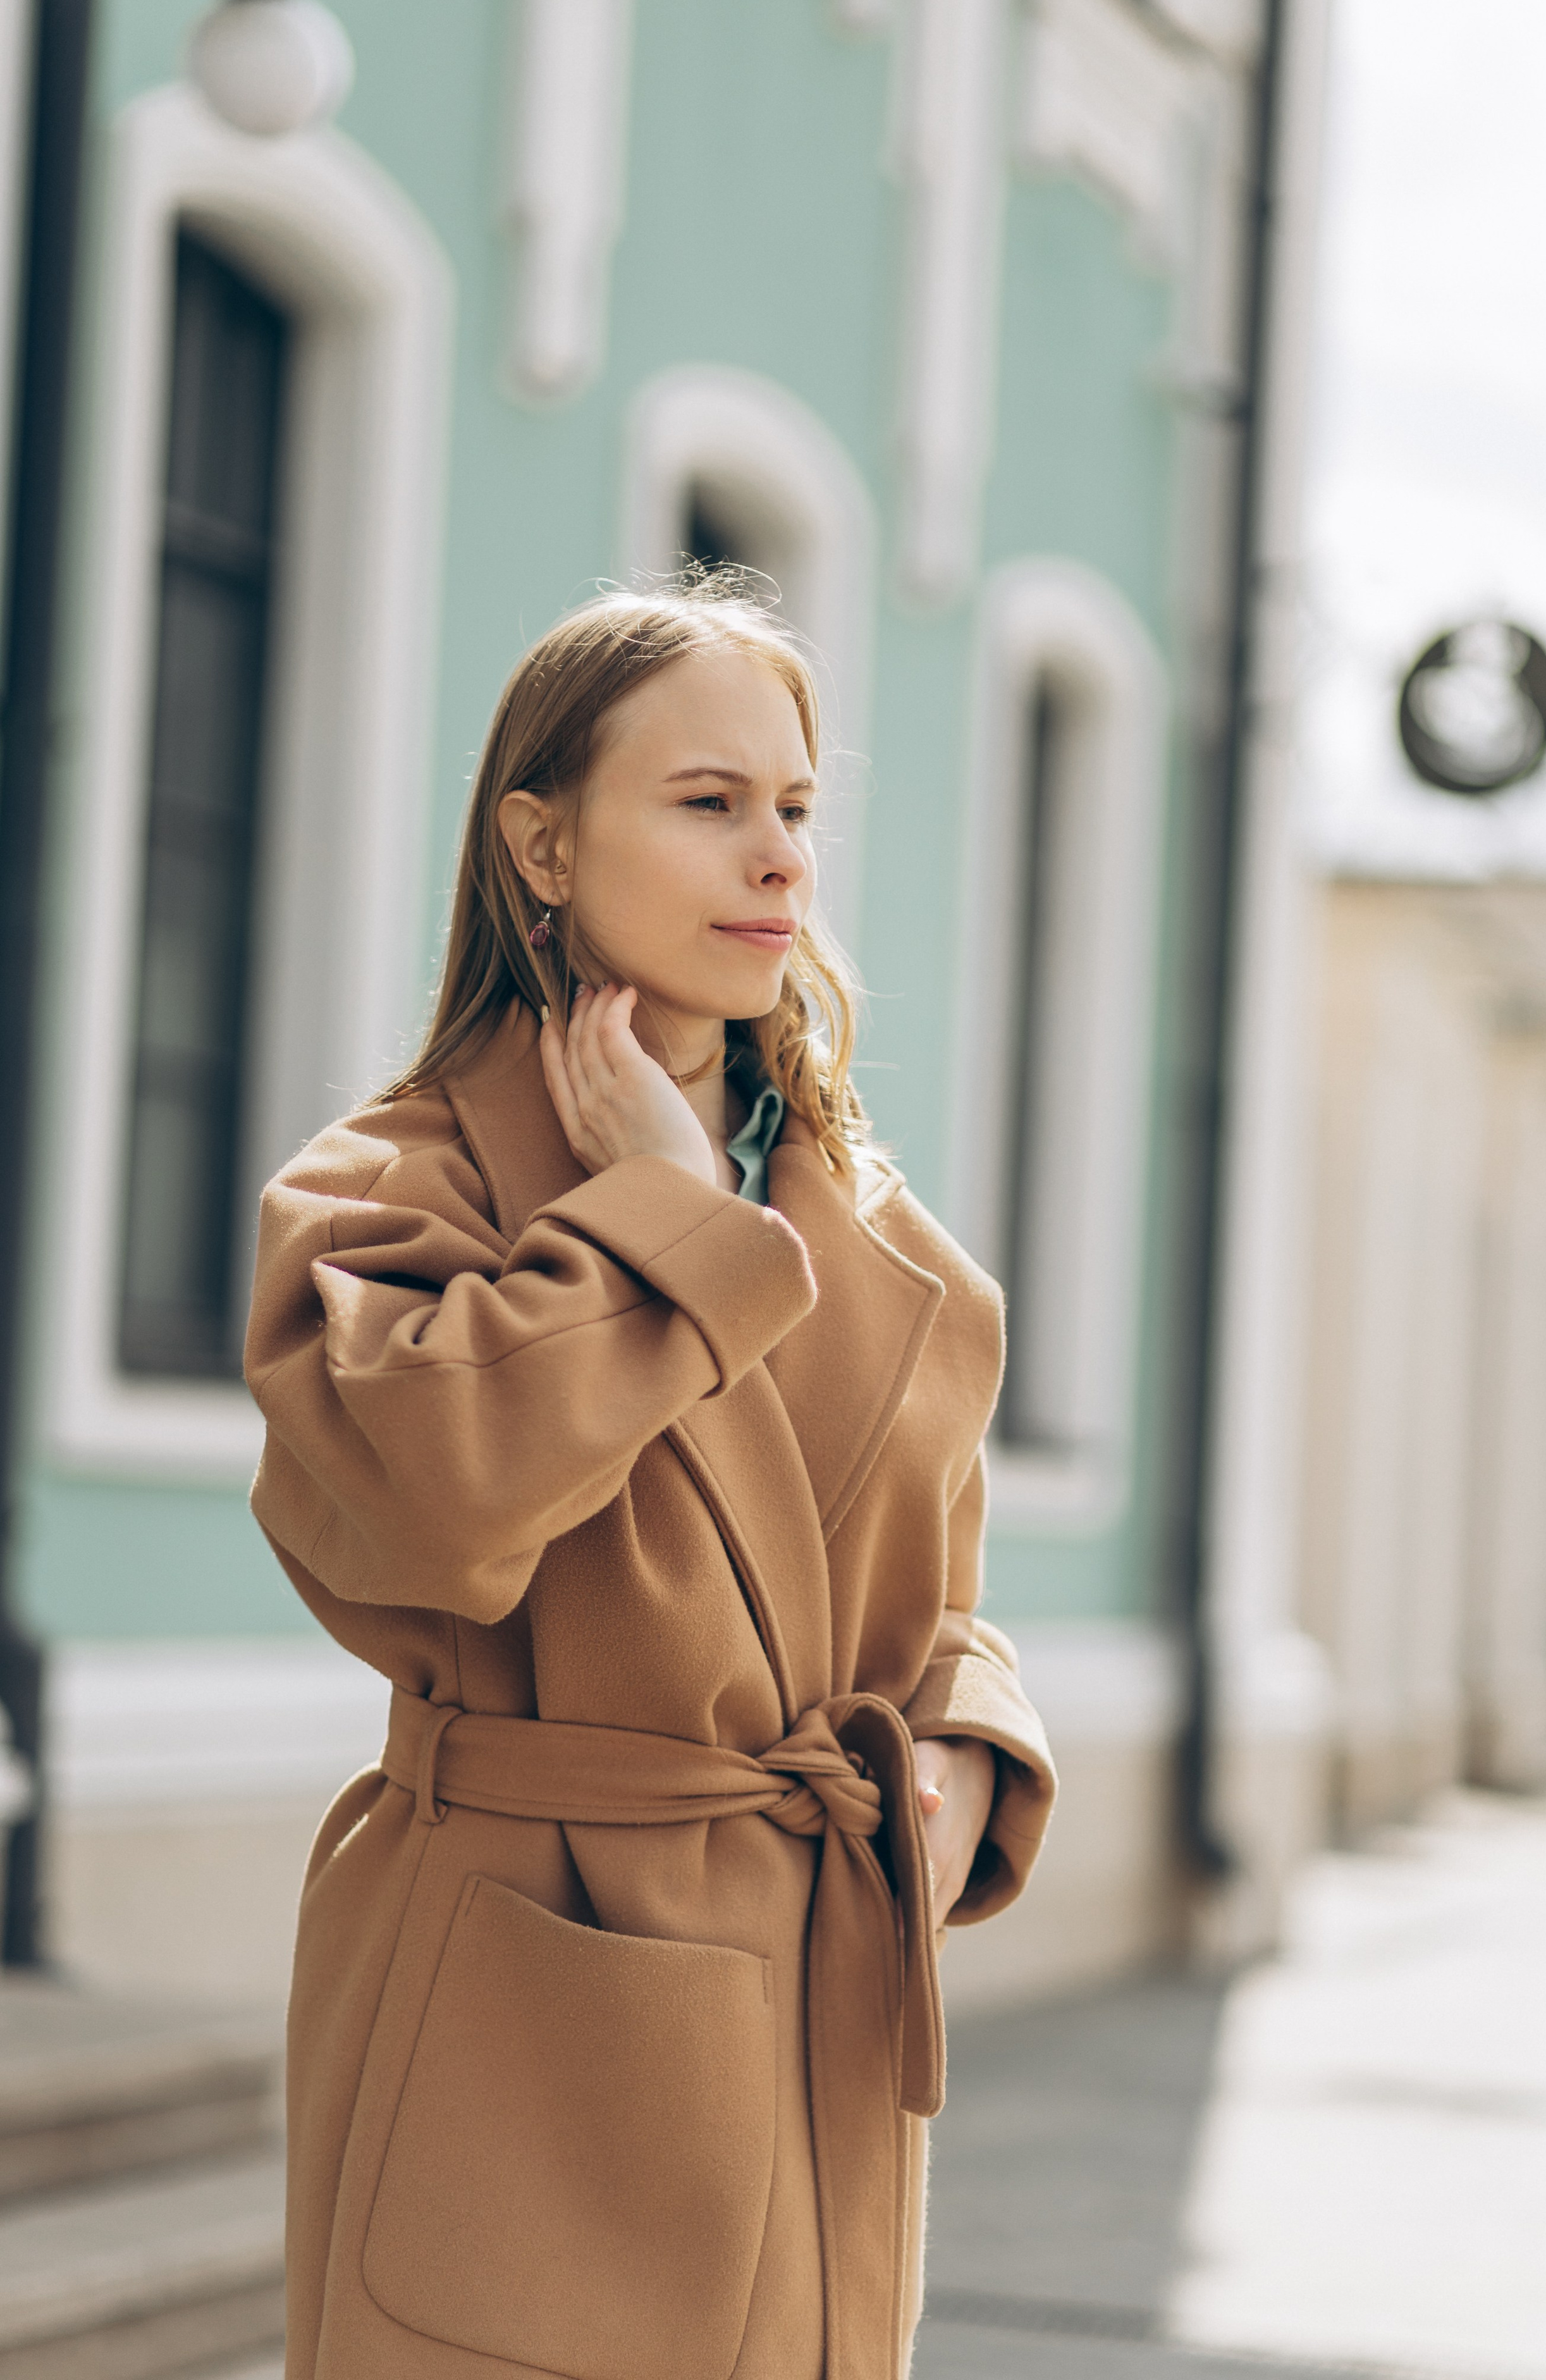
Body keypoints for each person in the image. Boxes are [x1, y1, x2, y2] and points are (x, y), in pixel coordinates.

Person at [245, 579, 1057, 2380]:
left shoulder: (893, 1244)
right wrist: (663, 1219)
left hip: (820, 2024)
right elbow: (429, 1502)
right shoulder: (391, 1190)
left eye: (794, 809)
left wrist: (954, 1755)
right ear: (541, 839)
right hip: (528, 2004)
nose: (776, 858)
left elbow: (935, 1602)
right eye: (708, 803)